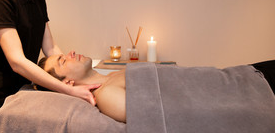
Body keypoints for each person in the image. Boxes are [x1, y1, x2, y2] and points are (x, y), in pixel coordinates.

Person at [38, 52, 275, 123]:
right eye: (62, 61)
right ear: (67, 83)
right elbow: (165, 117)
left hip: (241, 76)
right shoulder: (106, 94)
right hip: (251, 95)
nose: (68, 54)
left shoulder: (112, 77)